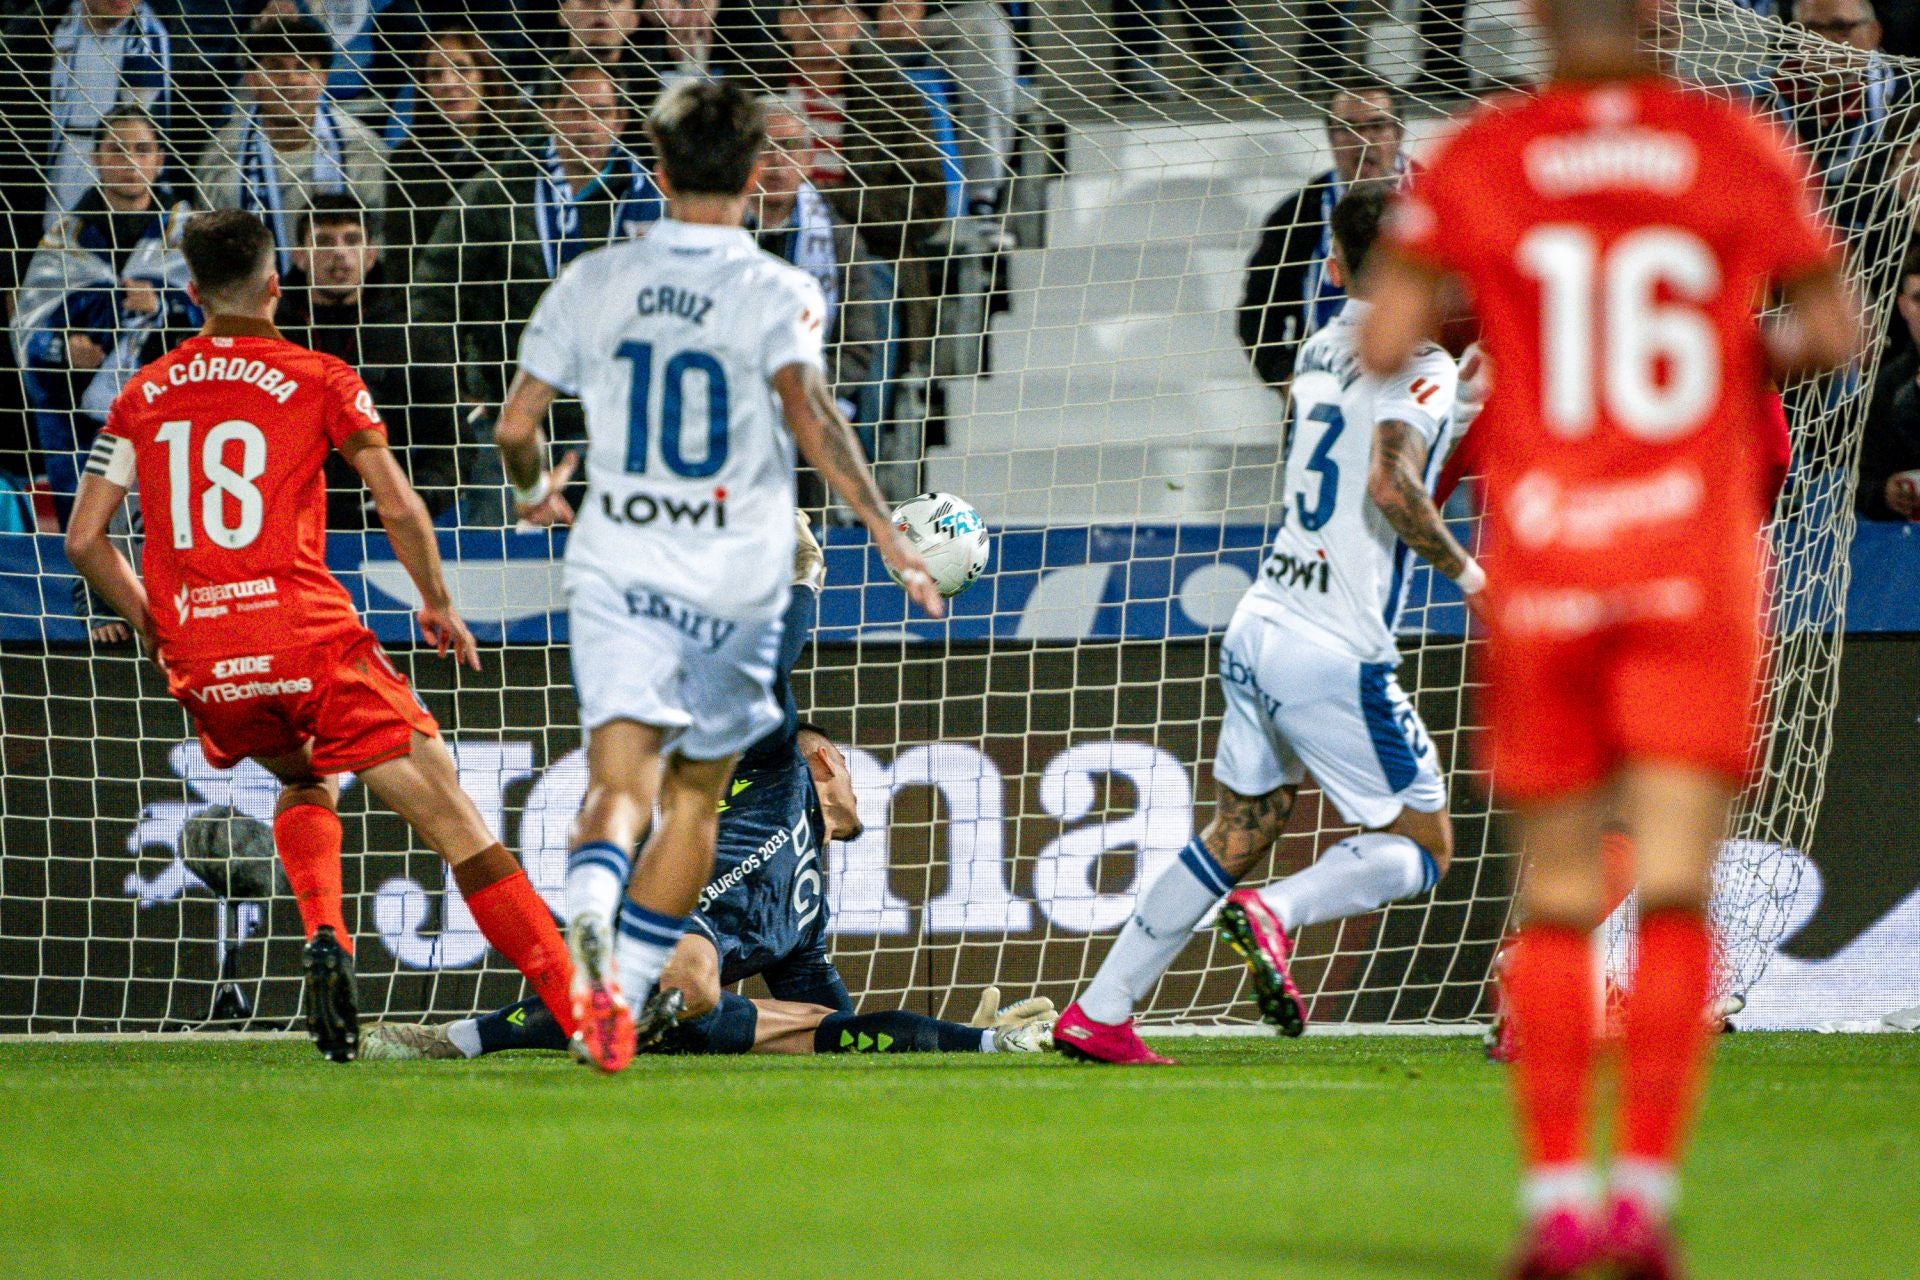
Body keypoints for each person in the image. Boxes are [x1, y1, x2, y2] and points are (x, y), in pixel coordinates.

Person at [1357, 0, 1861, 1269]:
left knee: (1564, 890)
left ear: (1534, 17)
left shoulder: (1484, 152)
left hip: (1549, 557)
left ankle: (1551, 1206)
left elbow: (1380, 334)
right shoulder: (1736, 145)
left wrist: (1506, 328)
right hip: (1691, 558)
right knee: (1679, 878)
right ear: (1662, 20)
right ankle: (1641, 1188)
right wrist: (1715, 358)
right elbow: (1834, 333)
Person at [490, 79, 945, 1072]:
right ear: (752, 179)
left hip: (618, 561)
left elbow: (516, 426)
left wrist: (535, 490)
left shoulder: (594, 278)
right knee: (694, 799)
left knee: (620, 786)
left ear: (654, 173)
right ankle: (624, 976)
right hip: (730, 573)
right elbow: (815, 419)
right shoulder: (778, 289)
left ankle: (600, 939)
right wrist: (886, 532)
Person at [61, 208, 582, 1065]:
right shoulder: (320, 376)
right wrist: (437, 601)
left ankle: (327, 934)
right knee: (452, 809)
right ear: (277, 284)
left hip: (207, 661)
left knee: (308, 777)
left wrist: (162, 629)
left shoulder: (139, 394)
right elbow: (398, 500)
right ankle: (579, 1007)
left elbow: (85, 540)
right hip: (305, 637)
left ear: (192, 294)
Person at [361, 525, 1055, 1060]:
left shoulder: (805, 920)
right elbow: (763, 684)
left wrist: (966, 1040)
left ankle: (993, 1045)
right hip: (658, 935)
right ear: (824, 760)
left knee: (808, 1026)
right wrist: (802, 582)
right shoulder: (775, 771)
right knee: (689, 977)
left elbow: (845, 1033)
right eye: (845, 764)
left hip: (695, 998)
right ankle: (460, 1037)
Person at [1053, 183, 1467, 1065]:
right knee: (1423, 844)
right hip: (1331, 645)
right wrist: (1472, 574)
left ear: (1330, 266)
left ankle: (1100, 1008)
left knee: (1247, 820)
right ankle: (1274, 912)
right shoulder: (1422, 361)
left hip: (1259, 622)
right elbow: (1391, 481)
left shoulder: (1316, 349)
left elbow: (1359, 429)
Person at [409, 58, 662, 523]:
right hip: (514, 420)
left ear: (620, 119)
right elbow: (432, 297)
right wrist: (460, 388)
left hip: (622, 424)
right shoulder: (497, 192)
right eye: (572, 108)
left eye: (600, 111)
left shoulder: (646, 200)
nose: (586, 125)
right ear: (547, 112)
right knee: (505, 569)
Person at [13, 108, 196, 528]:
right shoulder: (64, 240)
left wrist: (166, 309)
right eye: (117, 150)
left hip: (171, 415)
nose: (130, 161)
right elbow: (30, 325)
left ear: (160, 159)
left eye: (142, 149)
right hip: (82, 425)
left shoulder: (194, 235)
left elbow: (221, 315)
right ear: (94, 157)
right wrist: (65, 349)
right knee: (89, 540)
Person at [771, 1, 950, 373]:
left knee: (871, 299)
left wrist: (827, 201)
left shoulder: (893, 96)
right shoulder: (751, 93)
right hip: (766, 246)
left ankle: (860, 430)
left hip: (867, 253)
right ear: (784, 21)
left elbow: (929, 202)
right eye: (807, 11)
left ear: (855, 21)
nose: (819, 24)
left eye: (833, 11)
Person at [277, 195, 457, 527]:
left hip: (381, 529)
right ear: (299, 257)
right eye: (324, 241)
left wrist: (413, 498)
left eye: (353, 240)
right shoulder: (270, 333)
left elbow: (451, 443)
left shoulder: (411, 336)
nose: (339, 253)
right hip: (285, 524)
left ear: (371, 255)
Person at [751, 104, 888, 498]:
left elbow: (858, 350)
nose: (777, 161)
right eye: (764, 147)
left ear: (809, 159)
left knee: (813, 437)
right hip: (732, 405)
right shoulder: (722, 237)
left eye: (790, 146)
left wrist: (795, 394)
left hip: (810, 404)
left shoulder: (841, 241)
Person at [1238, 80, 1405, 395]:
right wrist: (1286, 380)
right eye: (1347, 127)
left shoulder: (1436, 204)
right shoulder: (1298, 214)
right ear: (1330, 137)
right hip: (1323, 388)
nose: (1362, 140)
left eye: (1377, 125)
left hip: (1416, 387)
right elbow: (1257, 310)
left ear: (1398, 132)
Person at [196, 13, 388, 273]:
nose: (291, 80)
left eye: (303, 67)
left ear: (322, 79)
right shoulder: (221, 157)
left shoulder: (363, 150)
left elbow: (381, 244)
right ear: (252, 80)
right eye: (276, 67)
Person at [0, 0, 176, 275]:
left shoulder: (169, 35)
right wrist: (11, 272)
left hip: (134, 224)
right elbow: (11, 166)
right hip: (49, 202)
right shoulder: (30, 36)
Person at [382, 26, 518, 284]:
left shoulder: (523, 147)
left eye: (462, 69)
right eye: (434, 73)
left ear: (486, 77)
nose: (448, 83)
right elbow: (403, 266)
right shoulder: (406, 162)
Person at [1861, 243, 1920, 520]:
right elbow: (1864, 483)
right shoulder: (1886, 384)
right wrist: (1887, 492)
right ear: (1903, 306)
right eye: (1919, 298)